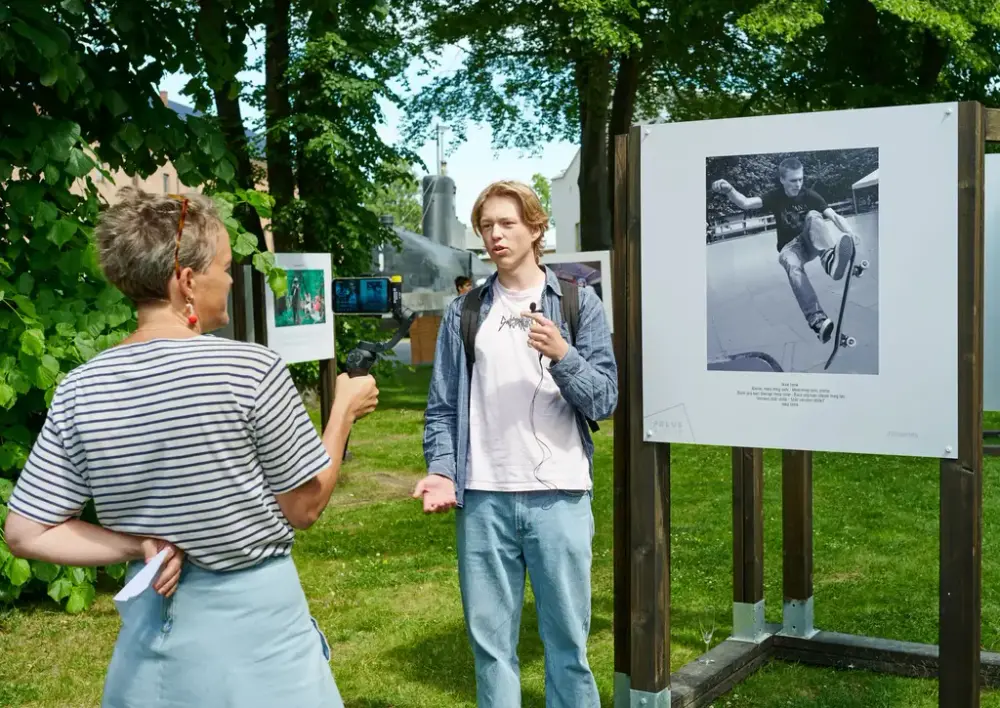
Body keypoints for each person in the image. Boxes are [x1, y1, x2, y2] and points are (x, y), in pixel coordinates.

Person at [3, 187, 379, 708]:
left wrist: (138, 545)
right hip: (260, 650)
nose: (229, 279)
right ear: (186, 281)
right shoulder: (250, 370)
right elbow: (305, 504)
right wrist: (342, 413)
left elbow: (25, 532)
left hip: (146, 655)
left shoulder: (81, 387)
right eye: (224, 267)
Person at [413, 180, 617, 707]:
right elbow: (442, 406)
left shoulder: (577, 302)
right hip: (483, 499)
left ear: (535, 227)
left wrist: (564, 355)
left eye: (507, 223)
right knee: (491, 649)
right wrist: (442, 470)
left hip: (560, 498)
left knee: (569, 646)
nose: (495, 235)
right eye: (486, 226)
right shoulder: (466, 312)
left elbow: (605, 400)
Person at [712, 156, 862, 342]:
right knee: (792, 265)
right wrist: (730, 190)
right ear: (782, 179)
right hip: (790, 249)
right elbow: (746, 203)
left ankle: (829, 260)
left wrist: (849, 232)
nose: (798, 184)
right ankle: (816, 319)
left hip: (810, 242)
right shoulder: (774, 197)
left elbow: (833, 215)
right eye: (793, 180)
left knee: (815, 215)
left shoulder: (809, 195)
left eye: (800, 179)